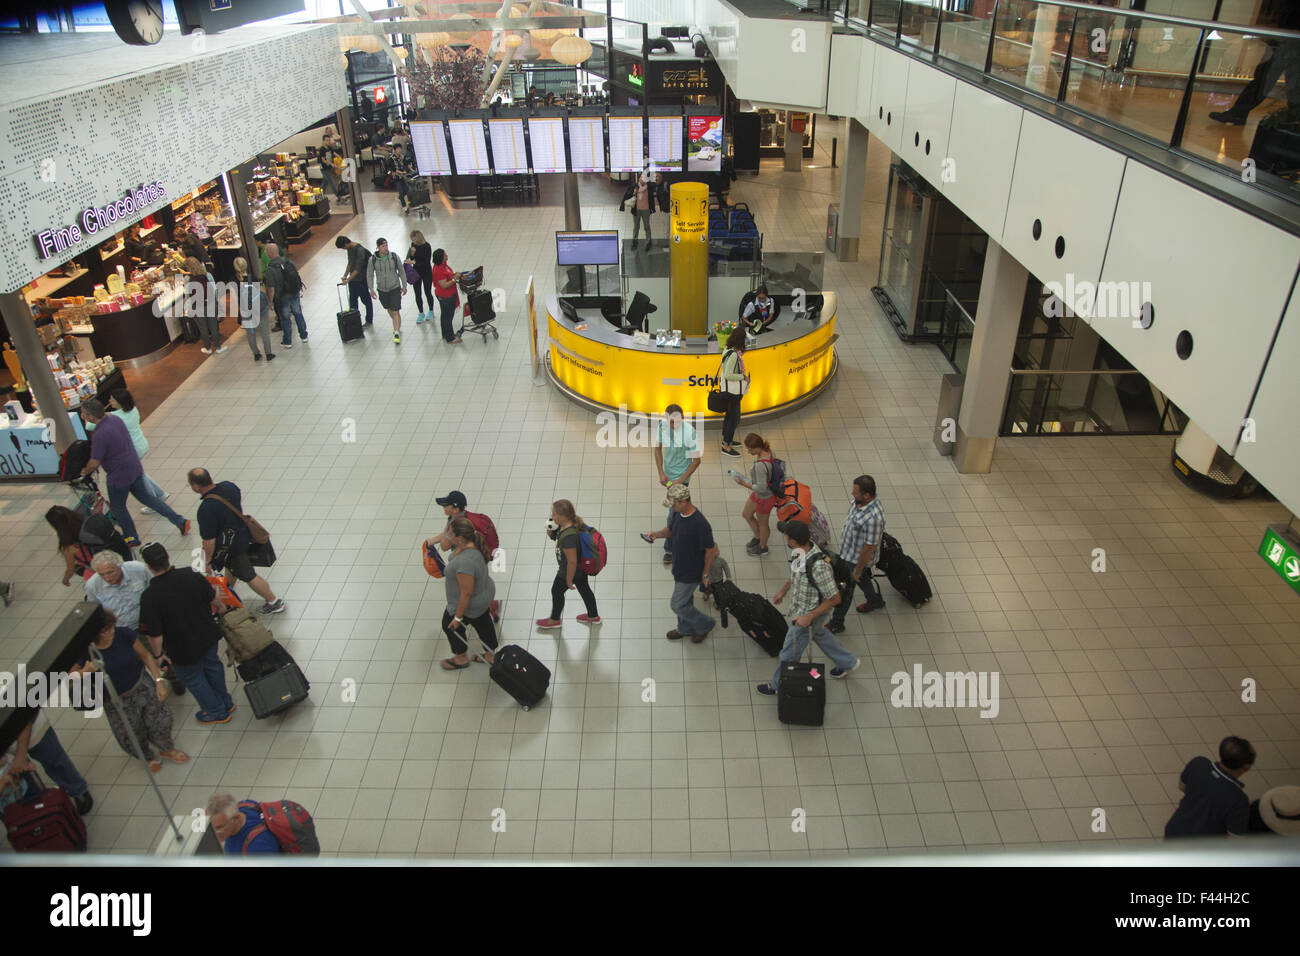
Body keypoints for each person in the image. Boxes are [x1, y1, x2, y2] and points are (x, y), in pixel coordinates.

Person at [67, 609, 188, 773]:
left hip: (141, 686)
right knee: (130, 732)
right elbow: (69, 676)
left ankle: (166, 748)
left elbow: (145, 656)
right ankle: (147, 757)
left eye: (111, 628)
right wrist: (85, 672)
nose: (111, 632)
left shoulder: (123, 634)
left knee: (160, 720)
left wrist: (158, 681)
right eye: (105, 631)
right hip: (114, 699)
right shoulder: (86, 650)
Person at [756, 519, 859, 697]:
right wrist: (783, 591)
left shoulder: (819, 566)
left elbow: (834, 598)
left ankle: (777, 685)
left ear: (794, 540)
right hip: (801, 609)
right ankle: (848, 662)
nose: (784, 538)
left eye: (786, 535)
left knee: (788, 655)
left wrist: (809, 617)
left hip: (805, 617)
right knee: (819, 634)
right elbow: (795, 574)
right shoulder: (798, 552)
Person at [137, 542, 235, 724]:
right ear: (167, 557)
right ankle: (226, 702)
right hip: (208, 634)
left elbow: (154, 633)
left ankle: (216, 712)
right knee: (213, 666)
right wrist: (223, 613)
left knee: (194, 678)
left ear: (149, 567)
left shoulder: (150, 596)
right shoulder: (191, 575)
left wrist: (158, 655)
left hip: (181, 647)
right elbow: (216, 601)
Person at [78, 400, 190, 547]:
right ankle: (180, 521)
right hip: (134, 466)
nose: (81, 415)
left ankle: (131, 538)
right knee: (149, 499)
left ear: (90, 416)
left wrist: (84, 471)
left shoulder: (99, 434)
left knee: (118, 508)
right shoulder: (115, 419)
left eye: (83, 413)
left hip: (118, 476)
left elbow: (94, 462)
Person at [187, 467, 285, 615]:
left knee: (248, 575)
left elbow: (209, 541)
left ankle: (274, 601)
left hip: (230, 548)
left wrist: (206, 561)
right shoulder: (228, 486)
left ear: (196, 486)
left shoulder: (206, 509)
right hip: (244, 535)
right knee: (231, 569)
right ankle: (227, 597)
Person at [643, 484, 718, 642]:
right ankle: (684, 629)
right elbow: (671, 530)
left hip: (691, 571)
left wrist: (705, 574)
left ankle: (705, 624)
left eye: (674, 504)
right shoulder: (678, 514)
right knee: (686, 600)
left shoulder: (700, 524)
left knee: (677, 604)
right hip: (679, 566)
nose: (672, 508)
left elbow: (711, 550)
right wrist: (656, 535)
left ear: (684, 501)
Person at [0, 711, 93, 815]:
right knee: (25, 785)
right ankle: (44, 812)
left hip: (33, 728)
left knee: (56, 763)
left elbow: (25, 712)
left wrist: (21, 755)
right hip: (7, 748)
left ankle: (78, 791)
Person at [438, 516, 500, 671]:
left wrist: (458, 617)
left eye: (450, 533)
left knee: (449, 625)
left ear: (459, 538)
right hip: (484, 594)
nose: (448, 536)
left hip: (470, 603)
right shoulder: (475, 544)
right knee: (484, 623)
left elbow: (466, 593)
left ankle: (460, 658)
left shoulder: (465, 562)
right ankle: (490, 654)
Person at [1164, 736, 1256, 839]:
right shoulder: (1239, 800)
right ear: (1246, 767)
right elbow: (1234, 837)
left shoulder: (1199, 763)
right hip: (1201, 849)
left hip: (1175, 831)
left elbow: (1182, 786)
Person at [827, 474, 886, 633]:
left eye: (856, 492)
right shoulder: (862, 502)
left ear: (867, 495)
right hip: (848, 552)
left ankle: (837, 623)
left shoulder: (874, 518)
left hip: (855, 560)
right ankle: (874, 600)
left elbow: (869, 548)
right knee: (863, 579)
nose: (852, 494)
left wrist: (857, 570)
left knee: (845, 591)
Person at [535, 499, 599, 629]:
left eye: (554, 514)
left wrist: (569, 580)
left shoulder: (569, 537)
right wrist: (552, 534)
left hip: (569, 571)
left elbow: (572, 561)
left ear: (562, 516)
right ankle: (593, 616)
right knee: (585, 590)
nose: (552, 516)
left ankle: (555, 620)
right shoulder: (569, 524)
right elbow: (559, 537)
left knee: (556, 591)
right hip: (580, 569)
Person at [653, 404, 702, 567]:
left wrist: (680, 481)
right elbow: (657, 449)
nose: (674, 425)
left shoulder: (690, 433)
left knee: (674, 512)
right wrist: (661, 472)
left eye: (677, 421)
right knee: (680, 509)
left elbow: (696, 461)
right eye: (671, 422)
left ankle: (670, 548)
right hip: (669, 476)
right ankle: (684, 537)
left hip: (682, 478)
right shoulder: (662, 427)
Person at [108, 387, 170, 507]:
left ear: (119, 402)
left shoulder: (115, 416)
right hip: (141, 443)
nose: (109, 401)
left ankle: (154, 502)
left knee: (139, 476)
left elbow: (90, 425)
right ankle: (160, 494)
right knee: (140, 473)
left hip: (132, 450)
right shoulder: (132, 409)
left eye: (111, 400)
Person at [731, 433, 777, 556]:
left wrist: (744, 483)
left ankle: (762, 547)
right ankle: (758, 537)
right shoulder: (768, 451)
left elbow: (762, 488)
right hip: (760, 494)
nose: (748, 451)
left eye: (750, 449)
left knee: (763, 524)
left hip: (764, 497)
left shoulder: (761, 466)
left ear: (757, 447)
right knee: (746, 514)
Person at [84, 551, 151, 629]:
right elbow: (95, 611)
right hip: (119, 629)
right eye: (101, 574)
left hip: (146, 622)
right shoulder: (92, 586)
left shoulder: (139, 569)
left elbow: (155, 590)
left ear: (120, 566)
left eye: (110, 572)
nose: (107, 578)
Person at [205, 793, 280, 855]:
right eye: (211, 827)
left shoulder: (258, 847)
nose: (214, 833)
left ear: (236, 818)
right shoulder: (246, 805)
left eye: (219, 828)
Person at [263, 243, 307, 348]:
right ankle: (304, 336)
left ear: (269, 254)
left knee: (285, 318)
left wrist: (270, 301)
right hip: (294, 291)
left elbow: (271, 288)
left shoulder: (270, 268)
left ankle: (287, 341)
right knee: (298, 313)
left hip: (282, 296)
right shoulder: (288, 261)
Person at [232, 257, 274, 362]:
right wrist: (269, 302)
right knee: (264, 331)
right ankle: (268, 353)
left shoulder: (233, 280)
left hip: (245, 309)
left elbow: (234, 297)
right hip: (258, 307)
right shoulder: (253, 278)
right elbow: (261, 291)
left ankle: (256, 354)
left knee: (250, 333)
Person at [367, 237, 407, 345]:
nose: (385, 248)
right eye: (383, 246)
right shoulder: (373, 260)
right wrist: (371, 289)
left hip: (394, 287)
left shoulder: (394, 257)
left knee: (395, 310)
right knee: (389, 309)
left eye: (386, 245)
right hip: (382, 289)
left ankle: (396, 332)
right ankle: (397, 324)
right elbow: (370, 275)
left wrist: (404, 285)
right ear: (378, 247)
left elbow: (402, 271)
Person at [716, 327, 749, 458]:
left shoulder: (727, 349)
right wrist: (743, 377)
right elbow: (729, 374)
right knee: (735, 418)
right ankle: (726, 446)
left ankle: (727, 440)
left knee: (730, 416)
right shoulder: (735, 354)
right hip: (732, 392)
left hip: (728, 390)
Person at [183, 257, 224, 355]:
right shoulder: (207, 275)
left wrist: (188, 308)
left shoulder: (188, 279)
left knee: (203, 327)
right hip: (210, 303)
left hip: (197, 305)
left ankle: (208, 348)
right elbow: (214, 290)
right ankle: (218, 347)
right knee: (213, 326)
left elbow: (188, 295)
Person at [620, 166, 664, 250]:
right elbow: (626, 195)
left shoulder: (649, 188)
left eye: (644, 178)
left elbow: (658, 183)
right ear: (639, 179)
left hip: (646, 210)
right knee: (636, 226)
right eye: (641, 178)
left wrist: (658, 176)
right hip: (636, 210)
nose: (642, 180)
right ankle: (635, 241)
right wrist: (633, 193)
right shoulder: (635, 187)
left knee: (646, 226)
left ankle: (648, 240)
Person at [336, 235, 374, 327]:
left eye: (343, 247)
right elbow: (350, 263)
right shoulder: (350, 249)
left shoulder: (360, 250)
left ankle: (369, 320)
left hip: (361, 279)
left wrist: (348, 279)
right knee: (352, 302)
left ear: (346, 244)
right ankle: (355, 321)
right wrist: (345, 276)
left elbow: (358, 268)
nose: (344, 249)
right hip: (353, 280)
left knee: (366, 300)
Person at [432, 247, 462, 344]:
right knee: (448, 317)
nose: (447, 256)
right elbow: (444, 285)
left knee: (445, 316)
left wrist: (454, 275)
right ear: (441, 258)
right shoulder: (439, 270)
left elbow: (448, 276)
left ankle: (445, 334)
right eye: (445, 255)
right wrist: (454, 279)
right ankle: (450, 338)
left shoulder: (443, 266)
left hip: (447, 295)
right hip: (446, 297)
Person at [406, 230, 435, 325]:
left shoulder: (427, 246)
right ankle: (421, 312)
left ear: (419, 238)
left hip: (426, 272)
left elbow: (426, 262)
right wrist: (412, 255)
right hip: (416, 273)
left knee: (427, 292)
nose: (412, 241)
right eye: (412, 240)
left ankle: (431, 310)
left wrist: (414, 262)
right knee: (417, 293)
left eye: (414, 239)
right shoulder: (413, 245)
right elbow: (411, 257)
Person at [319, 130, 346, 199]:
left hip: (328, 168)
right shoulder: (322, 149)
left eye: (329, 140)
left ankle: (320, 196)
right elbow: (323, 160)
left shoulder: (329, 148)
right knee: (331, 182)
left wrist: (341, 158)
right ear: (323, 141)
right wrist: (331, 164)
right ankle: (338, 195)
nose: (328, 142)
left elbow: (334, 153)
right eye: (327, 140)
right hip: (324, 168)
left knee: (325, 183)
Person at [392, 144, 418, 212]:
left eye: (400, 148)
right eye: (398, 149)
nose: (399, 150)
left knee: (407, 190)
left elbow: (407, 164)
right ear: (394, 150)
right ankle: (404, 206)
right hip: (397, 177)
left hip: (403, 177)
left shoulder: (402, 157)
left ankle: (400, 198)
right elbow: (393, 169)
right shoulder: (391, 159)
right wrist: (401, 172)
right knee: (401, 191)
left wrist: (412, 170)